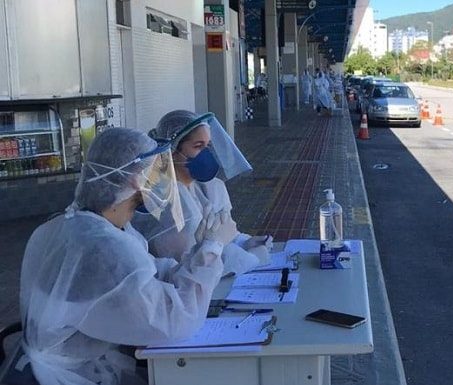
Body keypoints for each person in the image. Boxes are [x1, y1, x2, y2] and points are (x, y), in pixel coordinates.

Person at [19, 128, 237, 385]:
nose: (163, 177)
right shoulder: (100, 247)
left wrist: (198, 254)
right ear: (136, 179)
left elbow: (152, 272)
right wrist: (212, 249)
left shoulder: (86, 225)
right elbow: (175, 322)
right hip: (78, 376)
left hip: (82, 360)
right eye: (155, 169)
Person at [132, 110, 272, 277]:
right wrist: (252, 257)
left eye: (208, 146)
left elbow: (221, 235)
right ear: (173, 152)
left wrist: (244, 242)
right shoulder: (167, 200)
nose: (207, 154)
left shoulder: (204, 187)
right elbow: (197, 266)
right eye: (198, 146)